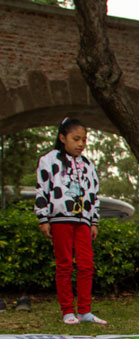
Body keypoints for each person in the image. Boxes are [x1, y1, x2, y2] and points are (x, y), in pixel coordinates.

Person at [34, 118, 106, 325]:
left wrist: (94, 221)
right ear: (62, 137)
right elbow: (42, 189)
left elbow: (93, 193)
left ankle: (84, 311)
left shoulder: (88, 165)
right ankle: (67, 310)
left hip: (83, 220)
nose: (81, 144)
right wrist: (43, 217)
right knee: (64, 265)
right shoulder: (49, 160)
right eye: (76, 139)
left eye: (84, 140)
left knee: (86, 265)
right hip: (59, 219)